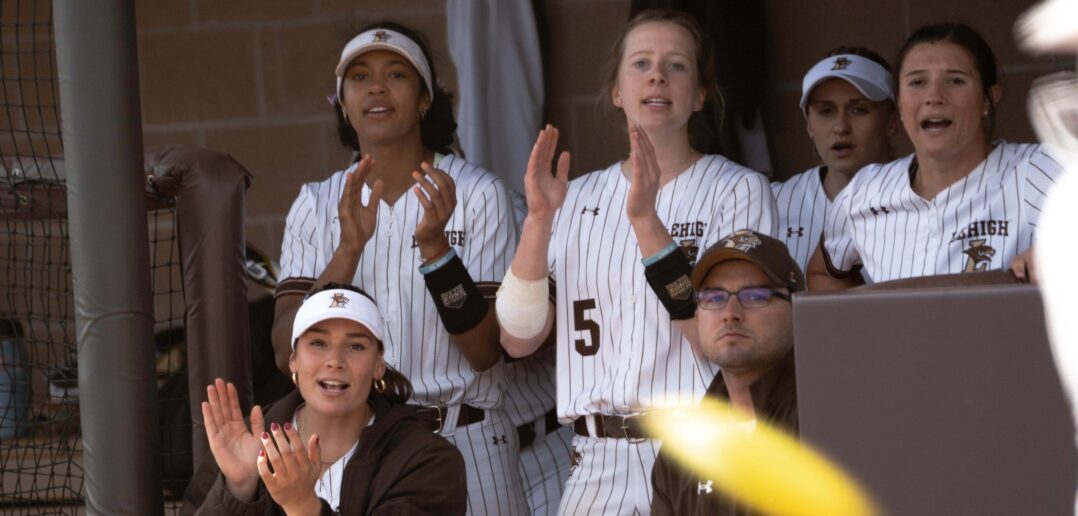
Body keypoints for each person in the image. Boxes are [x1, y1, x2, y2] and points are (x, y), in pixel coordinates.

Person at [496, 9, 777, 514]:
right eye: (642, 64)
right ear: (617, 92)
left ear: (699, 96)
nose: (657, 76)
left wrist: (648, 224)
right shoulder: (574, 197)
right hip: (594, 457)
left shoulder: (738, 188)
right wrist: (538, 219)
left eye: (676, 66)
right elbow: (518, 339)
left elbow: (730, 345)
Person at [270, 22, 528, 514]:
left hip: (468, 434)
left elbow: (486, 352)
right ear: (342, 102)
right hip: (363, 449)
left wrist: (436, 251)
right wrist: (348, 248)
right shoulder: (316, 202)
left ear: (426, 97)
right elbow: (287, 349)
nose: (377, 87)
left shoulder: (478, 193)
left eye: (397, 74)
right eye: (360, 77)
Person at [807, 23, 1067, 289]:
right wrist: (860, 325)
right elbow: (823, 272)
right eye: (917, 82)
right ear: (898, 103)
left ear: (988, 100)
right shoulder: (865, 192)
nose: (934, 96)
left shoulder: (1035, 170)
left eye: (955, 81)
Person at [182, 284, 466, 515]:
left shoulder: (424, 458)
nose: (335, 361)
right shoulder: (248, 444)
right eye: (318, 343)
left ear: (378, 364)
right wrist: (238, 489)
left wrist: (303, 507)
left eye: (355, 346)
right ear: (293, 360)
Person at [650, 229, 801, 515]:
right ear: (697, 314)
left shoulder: (828, 420)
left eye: (755, 296)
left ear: (798, 310)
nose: (730, 312)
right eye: (714, 297)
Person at [773, 47, 897, 272]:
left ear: (892, 121)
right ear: (809, 124)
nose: (840, 127)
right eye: (826, 111)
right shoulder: (772, 203)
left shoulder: (926, 198)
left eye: (859, 110)